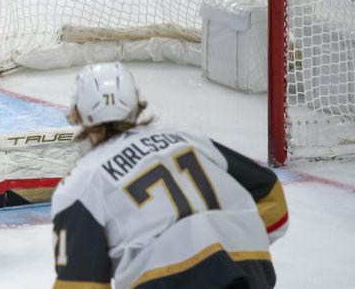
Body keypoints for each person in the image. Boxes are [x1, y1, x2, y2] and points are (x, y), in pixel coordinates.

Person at [51, 62, 288, 289]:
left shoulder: (81, 183)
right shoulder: (187, 140)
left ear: (77, 114)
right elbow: (271, 196)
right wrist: (234, 241)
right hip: (248, 272)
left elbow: (80, 284)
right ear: (136, 104)